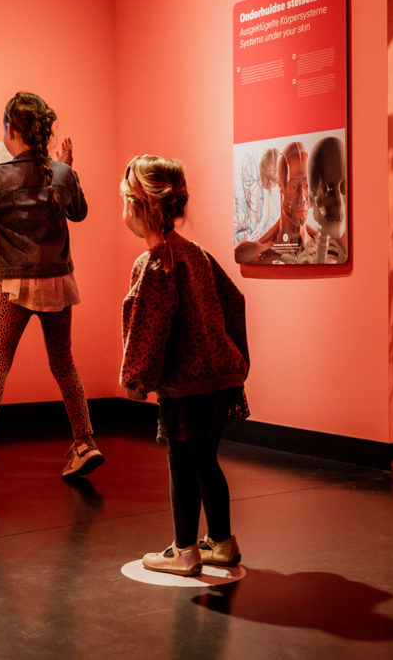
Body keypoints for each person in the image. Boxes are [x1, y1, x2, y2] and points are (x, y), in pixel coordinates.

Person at [0, 91, 104, 488]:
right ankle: (84, 442)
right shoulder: (60, 173)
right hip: (59, 283)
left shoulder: (0, 177)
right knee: (64, 364)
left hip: (16, 287)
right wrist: (67, 169)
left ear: (10, 129)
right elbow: (79, 212)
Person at [120, 154, 250, 576]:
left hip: (187, 387)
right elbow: (235, 300)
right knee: (206, 460)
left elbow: (149, 324)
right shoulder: (196, 253)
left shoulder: (157, 261)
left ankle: (184, 550)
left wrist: (136, 379)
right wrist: (235, 356)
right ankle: (222, 541)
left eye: (125, 199)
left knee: (181, 463)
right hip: (219, 378)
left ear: (143, 207)